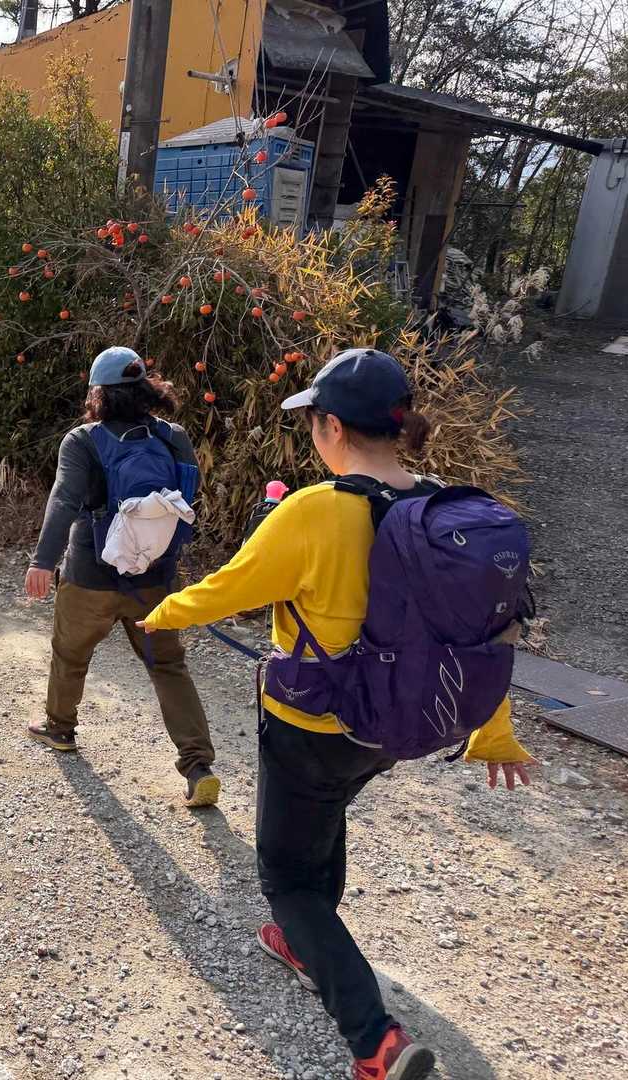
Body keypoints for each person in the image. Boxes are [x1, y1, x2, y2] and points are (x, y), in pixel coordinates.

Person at [138, 349, 534, 1080]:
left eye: (313, 422)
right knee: (322, 813)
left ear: (332, 427)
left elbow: (231, 587)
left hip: (313, 723)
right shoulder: (444, 511)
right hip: (396, 725)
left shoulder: (316, 509)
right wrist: (495, 730)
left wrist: (162, 614)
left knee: (287, 877)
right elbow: (480, 632)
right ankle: (303, 944)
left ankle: (375, 1041)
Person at [24, 346, 219, 807]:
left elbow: (63, 501)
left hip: (91, 575)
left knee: (70, 653)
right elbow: (188, 500)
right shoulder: (173, 436)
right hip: (154, 578)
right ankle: (198, 766)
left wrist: (43, 561)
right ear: (146, 389)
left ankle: (60, 728)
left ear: (99, 394)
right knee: (167, 666)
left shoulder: (82, 440)